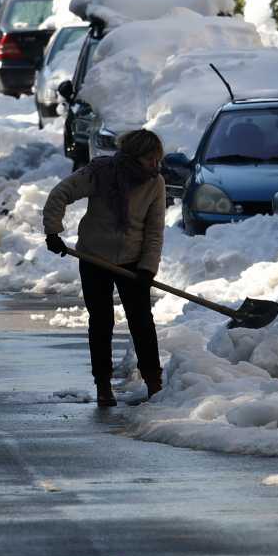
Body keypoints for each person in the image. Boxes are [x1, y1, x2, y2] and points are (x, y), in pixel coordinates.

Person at [42, 129, 166, 407]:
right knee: (101, 321)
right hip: (95, 257)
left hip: (133, 261)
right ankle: (103, 384)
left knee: (142, 322)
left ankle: (154, 382)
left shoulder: (154, 183)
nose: (155, 165)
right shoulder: (100, 173)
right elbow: (61, 193)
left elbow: (155, 230)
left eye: (157, 159)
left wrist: (148, 268)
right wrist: (52, 232)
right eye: (149, 159)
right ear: (134, 157)